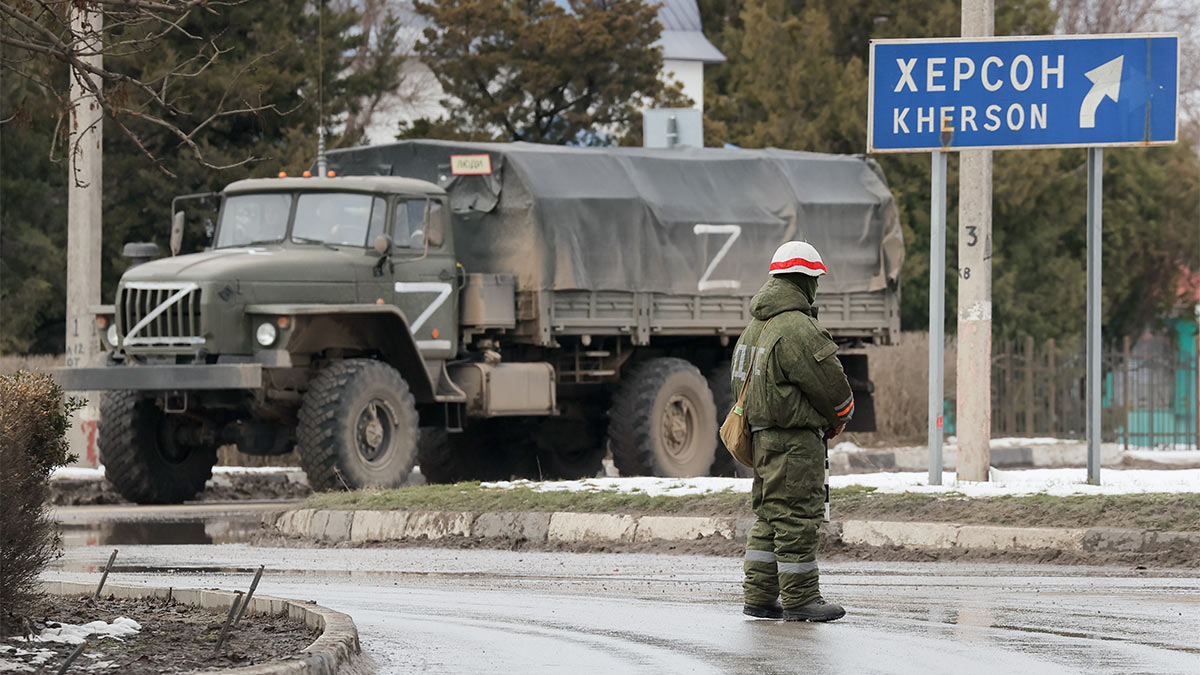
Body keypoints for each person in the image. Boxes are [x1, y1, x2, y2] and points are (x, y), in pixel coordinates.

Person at [731, 240, 854, 622]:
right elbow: (833, 389)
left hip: (762, 439)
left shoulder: (753, 328)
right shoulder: (799, 328)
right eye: (815, 280)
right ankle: (801, 599)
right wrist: (839, 416)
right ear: (805, 281)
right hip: (795, 443)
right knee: (797, 516)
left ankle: (759, 597)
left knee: (769, 515)